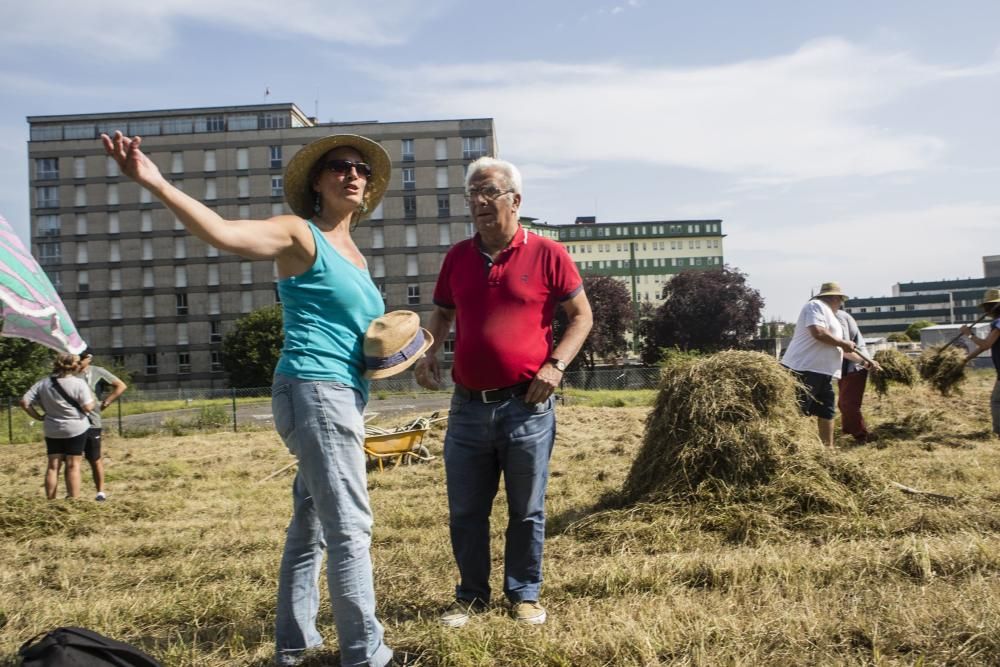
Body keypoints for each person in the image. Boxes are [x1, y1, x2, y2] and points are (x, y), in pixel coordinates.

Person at [102, 130, 401, 667]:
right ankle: (367, 655)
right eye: (339, 166)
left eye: (359, 168)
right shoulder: (297, 234)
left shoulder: (353, 253)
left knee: (311, 525)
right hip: (315, 390)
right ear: (317, 181)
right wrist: (154, 181)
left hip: (339, 392)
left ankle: (295, 646)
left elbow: (356, 333)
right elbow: (220, 232)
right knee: (350, 527)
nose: (352, 174)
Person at [414, 156, 593, 627]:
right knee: (466, 511)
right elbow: (442, 315)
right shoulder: (456, 257)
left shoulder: (549, 253)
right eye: (472, 194)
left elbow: (582, 317)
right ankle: (471, 597)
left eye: (488, 192)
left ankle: (523, 595)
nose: (478, 201)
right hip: (467, 408)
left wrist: (556, 365)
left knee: (527, 510)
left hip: (526, 408)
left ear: (516, 200)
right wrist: (428, 350)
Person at [781, 282, 867, 448]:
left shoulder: (832, 317)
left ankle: (827, 451)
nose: (841, 304)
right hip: (804, 369)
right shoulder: (815, 306)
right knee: (797, 411)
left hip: (823, 372)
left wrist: (864, 361)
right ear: (835, 298)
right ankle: (790, 450)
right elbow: (818, 333)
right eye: (841, 300)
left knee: (827, 411)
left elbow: (840, 349)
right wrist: (843, 342)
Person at [20, 353, 96, 499]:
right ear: (74, 365)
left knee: (53, 466)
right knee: (73, 466)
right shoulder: (79, 383)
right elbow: (87, 408)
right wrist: (93, 401)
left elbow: (24, 402)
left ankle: (51, 501)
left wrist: (38, 416)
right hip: (76, 428)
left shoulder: (43, 383)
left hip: (52, 429)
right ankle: (73, 500)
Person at [70, 348, 128, 501]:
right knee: (71, 460)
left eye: (81, 358)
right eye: (76, 358)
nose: (78, 361)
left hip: (92, 421)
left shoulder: (97, 371)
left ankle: (100, 492)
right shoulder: (69, 372)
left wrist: (106, 402)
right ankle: (73, 495)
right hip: (72, 421)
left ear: (89, 358)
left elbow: (121, 385)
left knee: (94, 458)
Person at [835, 309, 881, 444]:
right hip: (844, 366)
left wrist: (863, 361)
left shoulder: (838, 317)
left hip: (855, 364)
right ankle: (848, 431)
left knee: (848, 404)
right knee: (843, 403)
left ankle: (862, 436)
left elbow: (845, 346)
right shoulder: (831, 316)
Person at [960, 288, 1000, 436]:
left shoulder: (999, 323)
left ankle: (998, 433)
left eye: (986, 307)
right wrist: (967, 358)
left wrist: (969, 335)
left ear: (992, 307)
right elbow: (987, 346)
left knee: (997, 402)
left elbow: (985, 345)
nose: (986, 310)